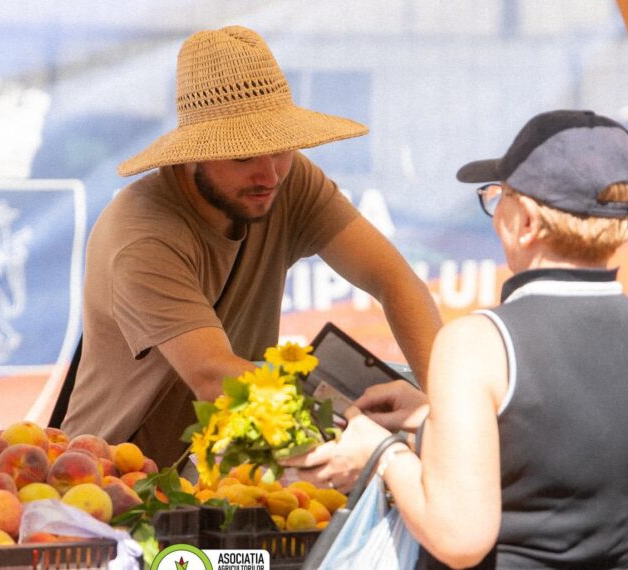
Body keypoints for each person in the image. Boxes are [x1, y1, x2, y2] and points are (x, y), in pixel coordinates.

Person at [284, 109, 628, 569]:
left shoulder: (477, 343)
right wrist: (434, 419)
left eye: (499, 199)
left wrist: (383, 453)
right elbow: (565, 447)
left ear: (526, 222)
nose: (496, 217)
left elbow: (460, 537)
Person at [57, 25, 442, 467]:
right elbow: (214, 376)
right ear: (194, 153)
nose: (271, 174)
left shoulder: (288, 178)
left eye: (280, 148)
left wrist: (443, 412)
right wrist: (348, 420)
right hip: (119, 485)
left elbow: (394, 280)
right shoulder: (142, 234)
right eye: (243, 156)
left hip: (230, 469)